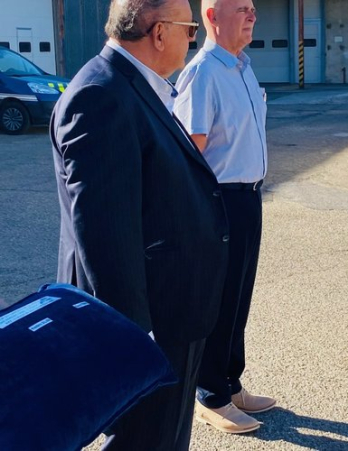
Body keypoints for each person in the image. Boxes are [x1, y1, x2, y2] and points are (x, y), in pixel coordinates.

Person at [50, 0, 229, 449]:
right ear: (159, 32)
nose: (194, 39)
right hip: (153, 320)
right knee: (146, 438)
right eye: (190, 29)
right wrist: (135, 339)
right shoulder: (101, 96)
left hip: (173, 308)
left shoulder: (137, 85)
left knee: (165, 435)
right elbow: (105, 232)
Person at [173, 0, 273, 435]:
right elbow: (189, 153)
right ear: (212, 16)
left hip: (248, 198)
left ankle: (231, 383)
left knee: (239, 298)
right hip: (219, 202)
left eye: (252, 8)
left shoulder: (243, 67)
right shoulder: (203, 73)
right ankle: (209, 394)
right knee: (217, 300)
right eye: (241, 9)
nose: (252, 15)